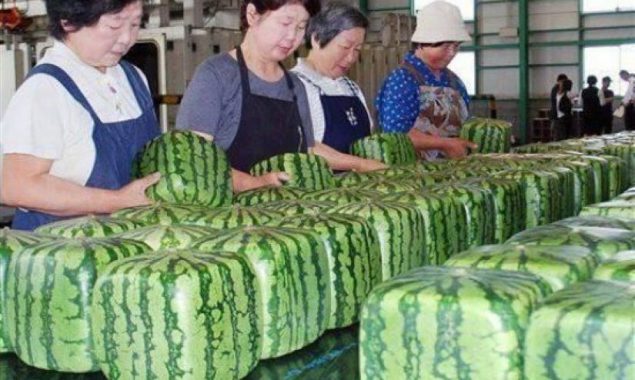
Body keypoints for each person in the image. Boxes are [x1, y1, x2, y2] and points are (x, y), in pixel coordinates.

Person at [176, 0, 383, 193]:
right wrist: (254, 183)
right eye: (285, 23)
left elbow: (307, 153)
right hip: (228, 217)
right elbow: (191, 160)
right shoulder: (216, 75)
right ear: (252, 15)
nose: (293, 37)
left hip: (284, 218)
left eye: (301, 27)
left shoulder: (295, 86)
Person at [0, 0, 161, 231]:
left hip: (127, 247)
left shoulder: (133, 77)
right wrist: (118, 201)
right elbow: (16, 186)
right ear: (68, 22)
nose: (127, 38)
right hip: (58, 253)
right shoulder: (45, 88)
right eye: (114, 26)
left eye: (135, 24)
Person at [375, 0, 476, 160]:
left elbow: (466, 124)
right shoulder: (403, 80)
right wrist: (446, 144)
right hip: (412, 173)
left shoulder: (454, 82)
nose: (452, 53)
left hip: (452, 172)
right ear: (422, 43)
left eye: (456, 46)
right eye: (445, 47)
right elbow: (396, 135)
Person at [291, 2, 381, 158]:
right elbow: (301, 144)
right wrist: (358, 164)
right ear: (317, 39)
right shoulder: (293, 85)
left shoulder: (351, 88)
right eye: (345, 47)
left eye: (357, 50)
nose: (351, 57)